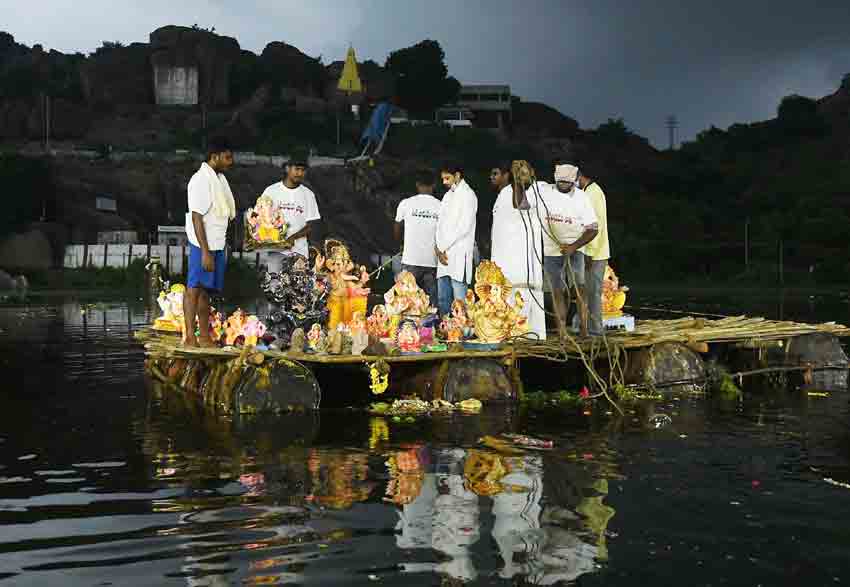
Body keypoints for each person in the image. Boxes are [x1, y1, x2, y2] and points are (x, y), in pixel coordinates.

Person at [183, 137, 235, 347]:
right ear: (214, 157)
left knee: (206, 290)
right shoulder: (200, 180)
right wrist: (204, 252)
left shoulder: (219, 178)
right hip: (201, 244)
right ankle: (189, 337)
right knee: (193, 289)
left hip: (216, 243)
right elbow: (197, 217)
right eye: (227, 157)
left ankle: (204, 336)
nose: (230, 161)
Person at [539, 163, 598, 338]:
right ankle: (562, 331)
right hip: (552, 249)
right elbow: (523, 199)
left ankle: (584, 330)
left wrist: (573, 247)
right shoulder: (544, 191)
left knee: (578, 289)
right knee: (557, 291)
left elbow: (593, 229)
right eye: (560, 182)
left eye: (567, 183)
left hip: (576, 248)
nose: (563, 185)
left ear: (574, 182)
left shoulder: (582, 198)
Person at [490, 161, 547, 339]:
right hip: (504, 260)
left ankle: (528, 335)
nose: (521, 175)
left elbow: (520, 204)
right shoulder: (504, 193)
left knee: (524, 301)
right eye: (517, 172)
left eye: (523, 172)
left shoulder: (540, 189)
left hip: (524, 264)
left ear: (532, 172)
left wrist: (518, 183)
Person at [259, 150, 321, 273]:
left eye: (303, 170)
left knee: (298, 289)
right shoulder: (271, 191)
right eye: (297, 169)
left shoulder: (308, 194)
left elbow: (312, 224)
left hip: (299, 252)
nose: (300, 173)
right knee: (275, 286)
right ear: (287, 168)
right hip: (276, 251)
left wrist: (294, 237)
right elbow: (260, 218)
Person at [435, 162, 477, 317]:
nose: (444, 182)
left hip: (459, 254)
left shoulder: (468, 195)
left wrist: (443, 246)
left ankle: (462, 334)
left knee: (460, 300)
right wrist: (439, 247)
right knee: (443, 299)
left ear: (457, 175)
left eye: (447, 178)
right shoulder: (447, 196)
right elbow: (439, 224)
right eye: (443, 179)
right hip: (443, 255)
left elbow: (464, 227)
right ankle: (446, 333)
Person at [394, 169, 441, 307]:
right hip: (432, 262)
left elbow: (397, 226)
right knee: (431, 304)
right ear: (433, 185)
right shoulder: (441, 206)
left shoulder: (406, 203)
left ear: (417, 185)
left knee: (405, 301)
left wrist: (400, 246)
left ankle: (407, 327)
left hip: (410, 259)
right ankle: (431, 327)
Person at [578, 168, 610, 336]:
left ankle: (596, 331)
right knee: (587, 292)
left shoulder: (592, 193)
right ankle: (586, 327)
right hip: (592, 250)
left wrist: (589, 252)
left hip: (595, 253)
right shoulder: (588, 191)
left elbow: (595, 225)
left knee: (593, 293)